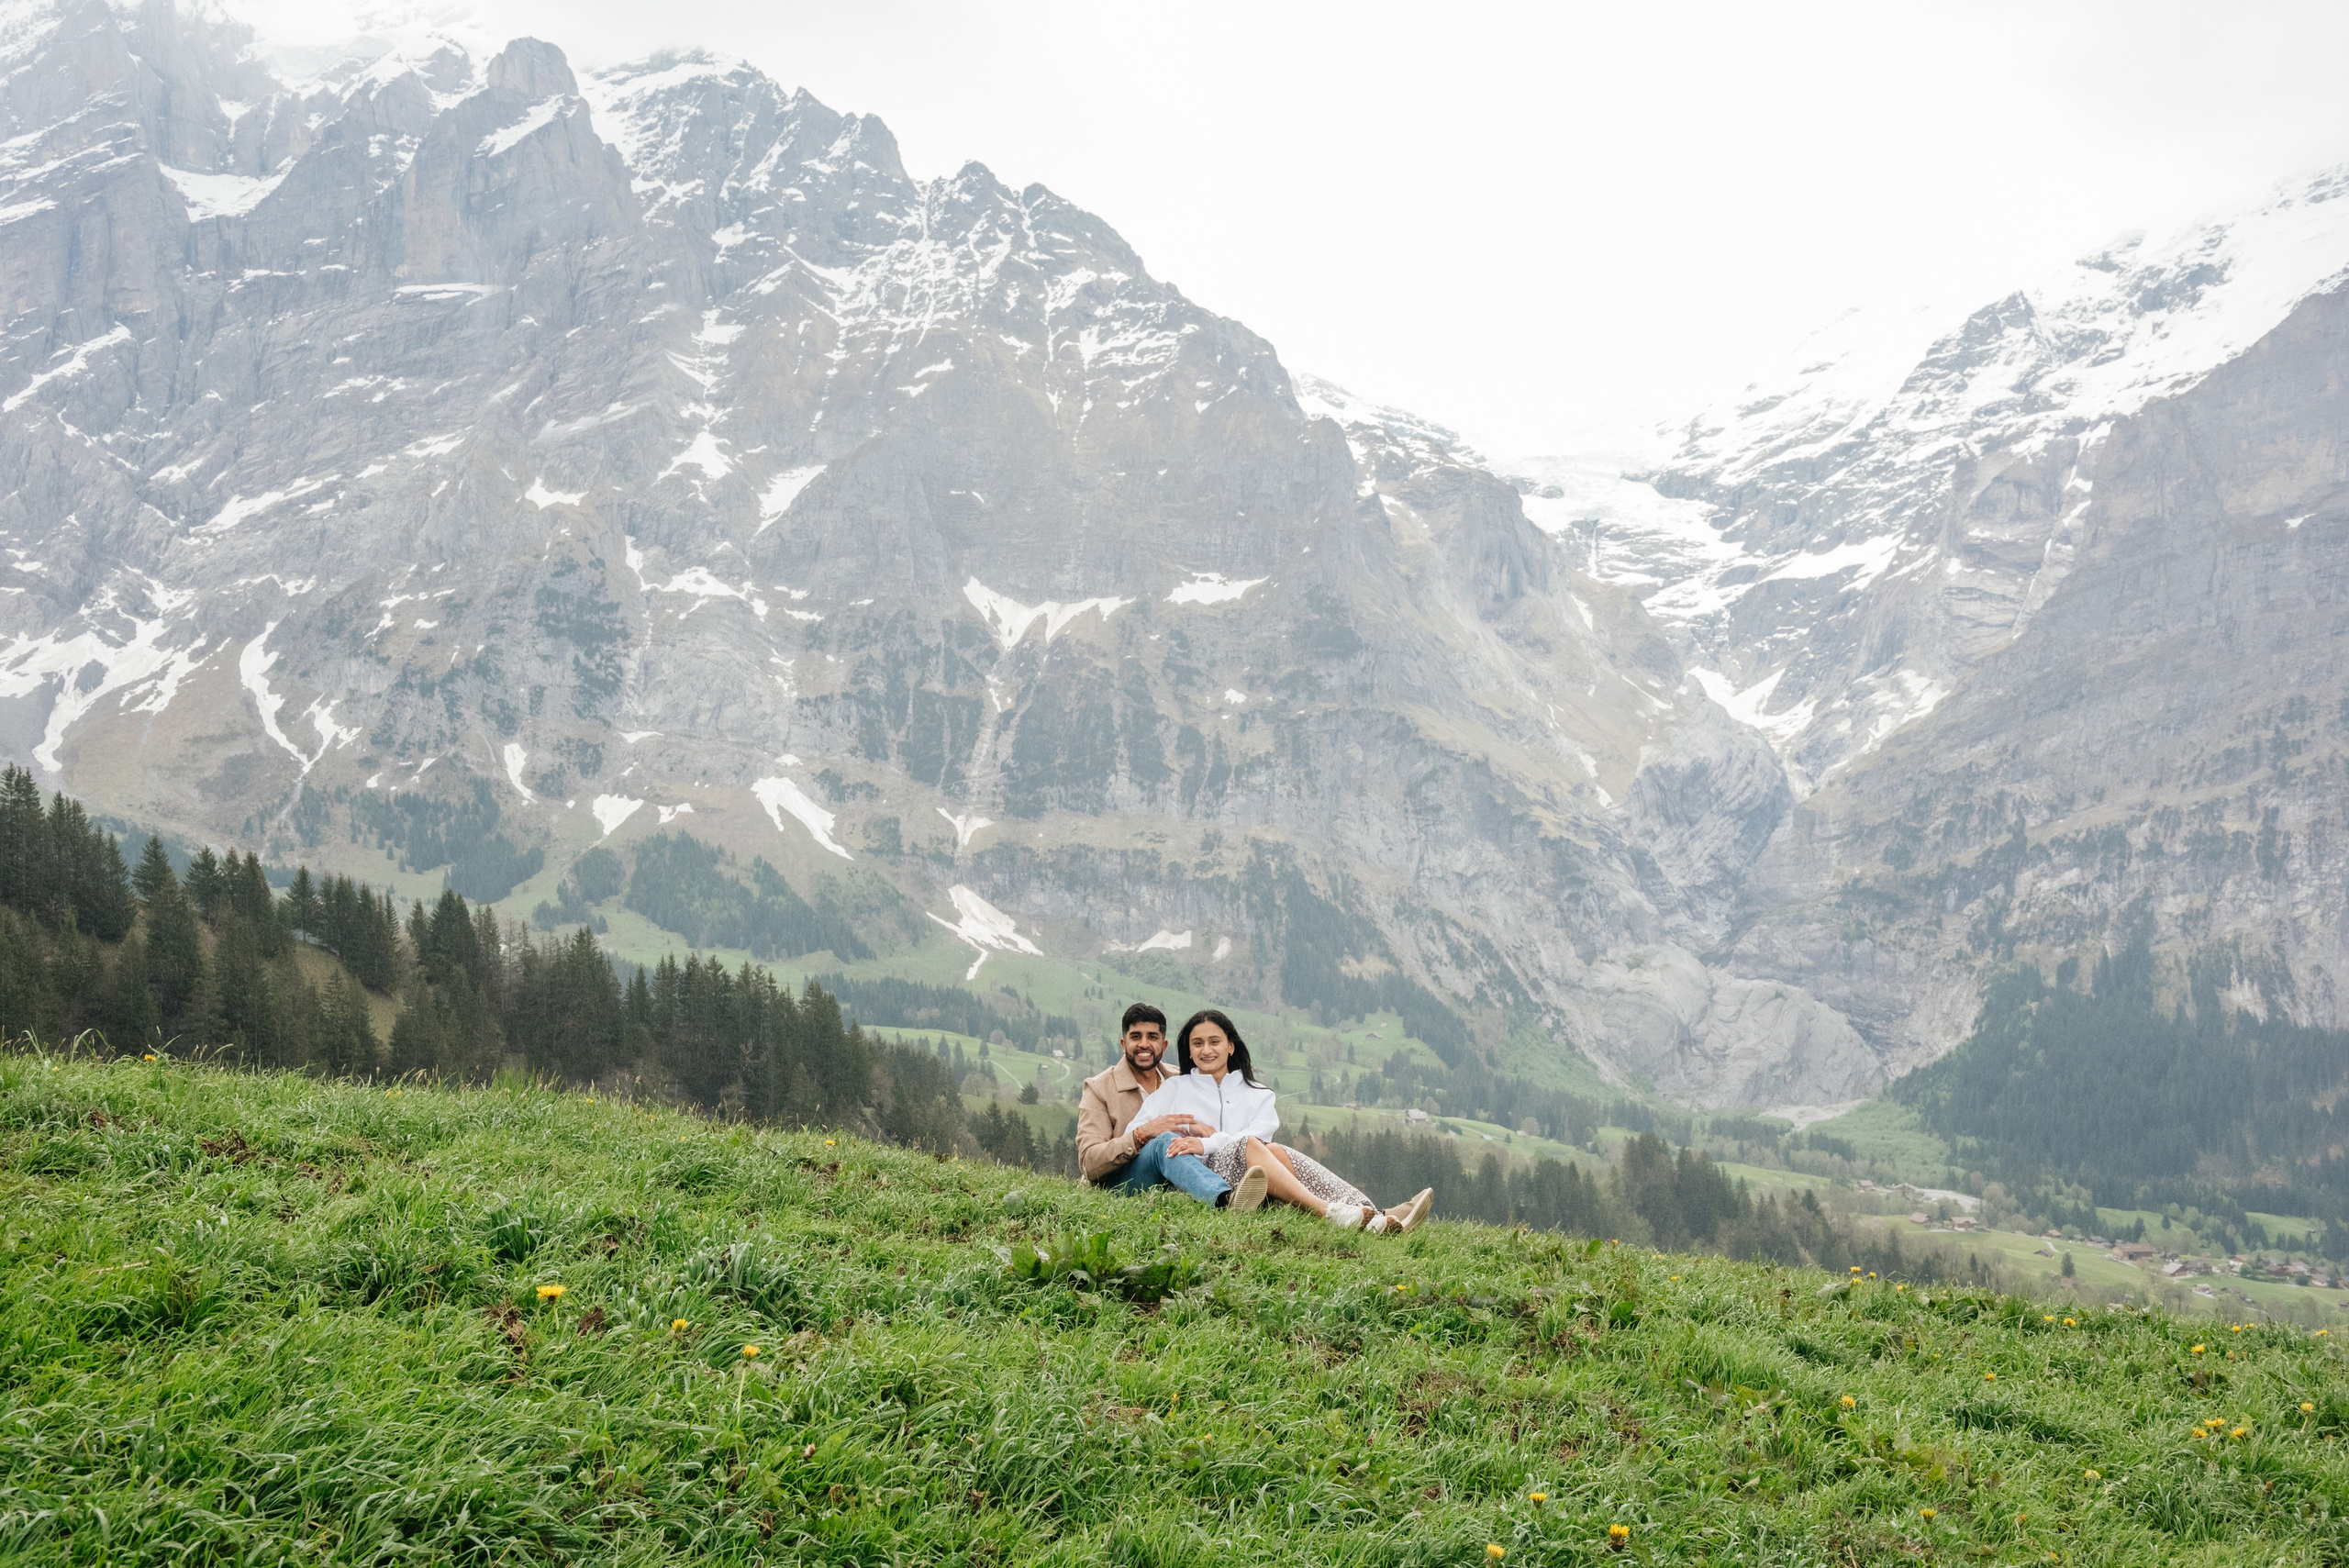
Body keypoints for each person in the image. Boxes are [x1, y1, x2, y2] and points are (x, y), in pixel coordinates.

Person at [1130, 1007, 1432, 1233]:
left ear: (1231, 1046)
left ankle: (1373, 1217)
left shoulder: (1258, 1093)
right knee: (1253, 1146)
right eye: (1198, 1044)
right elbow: (1137, 1130)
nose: (1206, 1050)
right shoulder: (1175, 1088)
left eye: (1214, 1041)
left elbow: (1261, 1134)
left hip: (1251, 1175)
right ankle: (1339, 1213)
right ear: (1189, 1050)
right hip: (1201, 1177)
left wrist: (1207, 1141)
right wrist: (1180, 1128)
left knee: (1272, 1150)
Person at [1076, 1002, 1266, 1209]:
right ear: (1124, 1043)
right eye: (1136, 1036)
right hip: (1120, 1185)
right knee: (1165, 1141)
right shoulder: (1099, 1088)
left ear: (1164, 1046)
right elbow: (1089, 1163)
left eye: (1152, 1037)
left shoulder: (1180, 1080)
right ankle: (1223, 1200)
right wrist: (1143, 1133)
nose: (1144, 1044)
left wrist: (1186, 1126)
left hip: (1173, 1181)